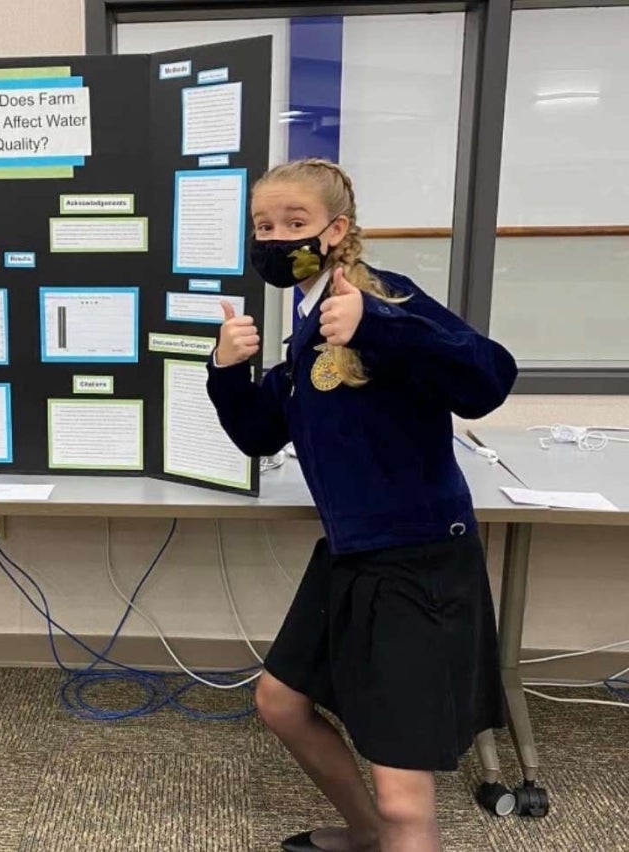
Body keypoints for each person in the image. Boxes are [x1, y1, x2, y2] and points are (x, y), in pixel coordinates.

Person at [206, 158, 517, 852]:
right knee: (281, 702)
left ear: (336, 229)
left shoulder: (380, 300)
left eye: (295, 223)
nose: (276, 238)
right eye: (264, 226)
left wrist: (378, 323)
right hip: (353, 554)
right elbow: (261, 432)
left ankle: (391, 830)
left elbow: (489, 379)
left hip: (420, 561)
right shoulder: (309, 319)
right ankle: (369, 834)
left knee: (408, 802)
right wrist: (225, 370)